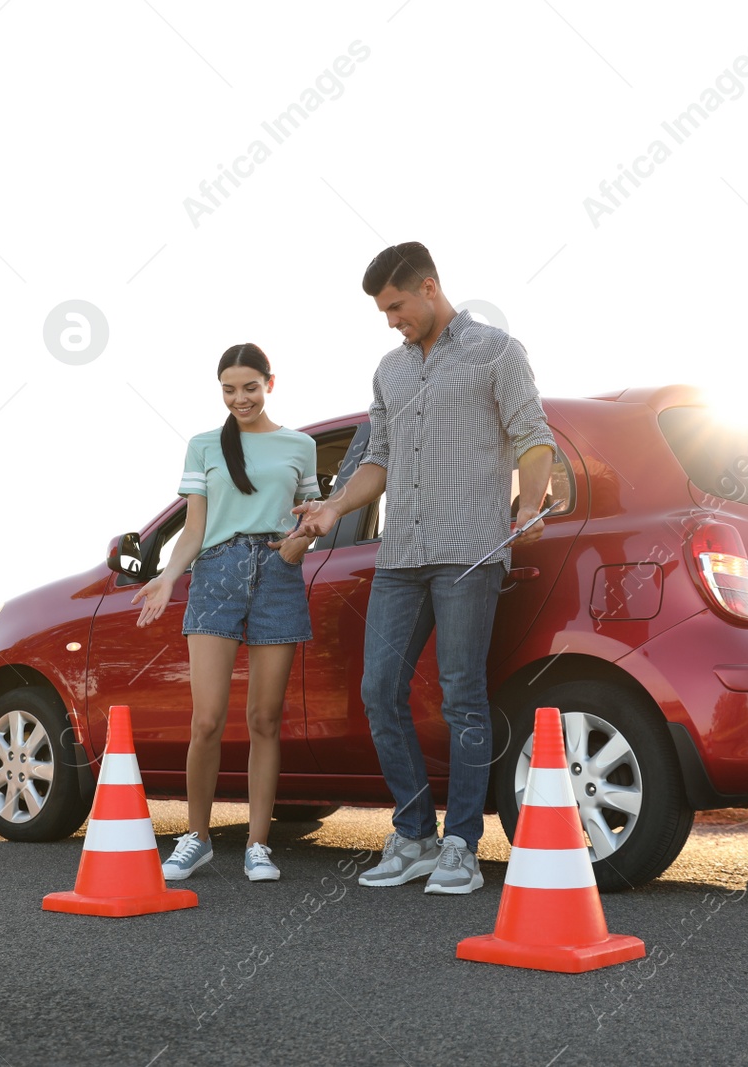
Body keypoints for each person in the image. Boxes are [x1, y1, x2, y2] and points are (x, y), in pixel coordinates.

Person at [288, 242, 556, 895]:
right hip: (401, 556)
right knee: (380, 690)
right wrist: (334, 505)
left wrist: (530, 502)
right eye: (383, 310)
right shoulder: (390, 371)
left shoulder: (497, 350)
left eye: (396, 306)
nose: (390, 320)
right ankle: (413, 833)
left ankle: (461, 844)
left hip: (469, 551)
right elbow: (377, 461)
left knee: (462, 696)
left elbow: (534, 435)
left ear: (430, 287)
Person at [132, 343, 321, 883]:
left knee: (264, 720)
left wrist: (295, 548)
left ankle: (258, 844)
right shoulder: (204, 446)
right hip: (216, 575)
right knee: (208, 719)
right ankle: (197, 838)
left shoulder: (300, 446)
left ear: (270, 383)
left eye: (250, 387)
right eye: (229, 389)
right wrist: (169, 578)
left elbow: (307, 520)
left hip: (278, 577)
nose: (240, 398)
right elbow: (194, 528)